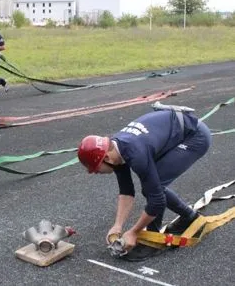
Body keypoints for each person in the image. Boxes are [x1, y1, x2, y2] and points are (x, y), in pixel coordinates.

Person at [77, 104, 212, 261]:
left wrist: (134, 232)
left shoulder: (134, 153)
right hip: (174, 132)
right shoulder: (115, 149)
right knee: (153, 186)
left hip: (195, 136)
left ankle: (152, 241)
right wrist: (118, 226)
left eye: (95, 168)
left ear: (106, 158)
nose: (96, 173)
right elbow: (126, 191)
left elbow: (157, 201)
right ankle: (190, 217)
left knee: (155, 187)